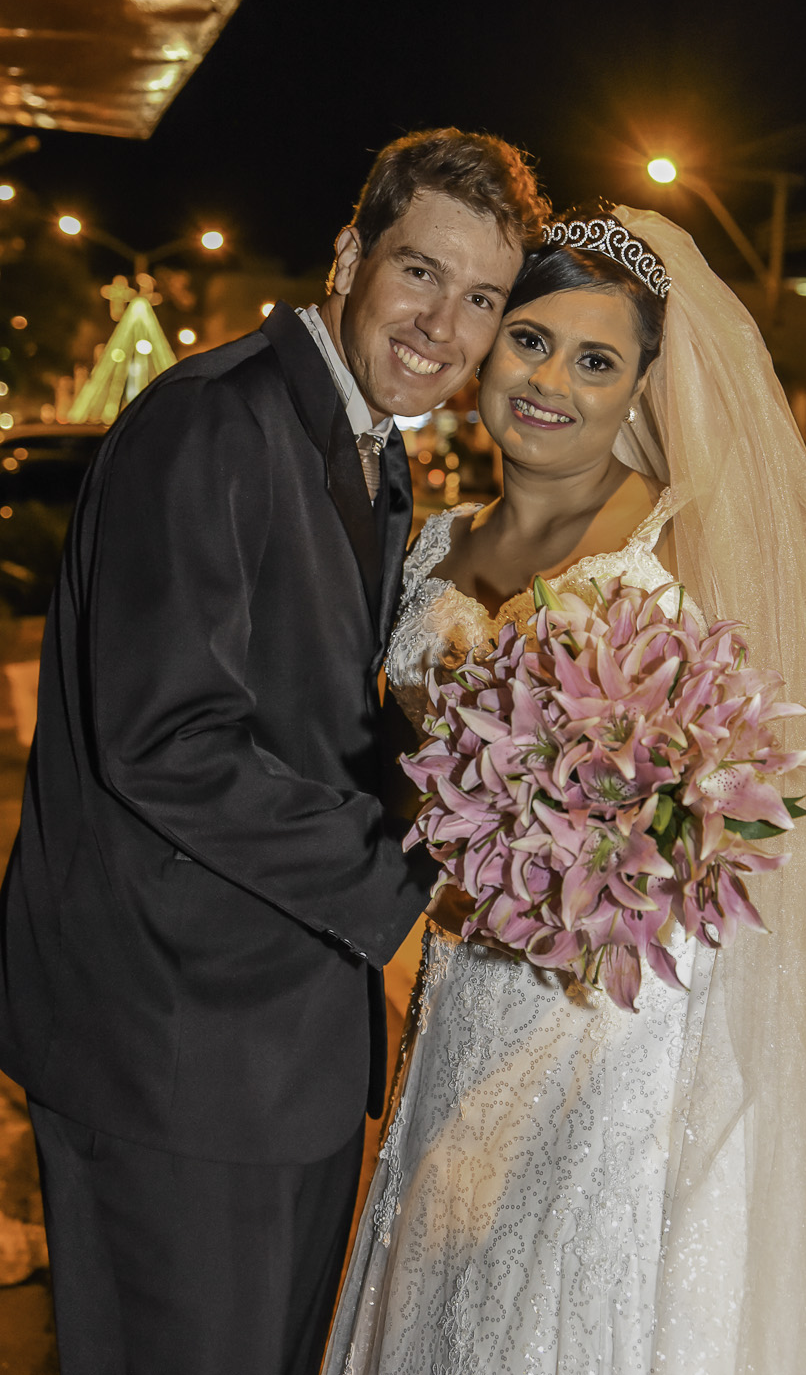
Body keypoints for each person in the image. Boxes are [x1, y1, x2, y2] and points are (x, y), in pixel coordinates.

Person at [325, 208, 806, 1373]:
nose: (549, 383)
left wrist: (612, 854)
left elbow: (755, 815)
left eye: (596, 360)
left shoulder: (683, 554)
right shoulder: (426, 547)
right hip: (462, 1002)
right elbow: (387, 779)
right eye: (529, 340)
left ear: (642, 385)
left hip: (620, 1027)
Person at [0, 127, 548, 1375]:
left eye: (480, 299)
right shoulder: (212, 422)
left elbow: (315, 713)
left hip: (281, 1042)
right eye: (419, 272)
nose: (442, 326)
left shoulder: (369, 443)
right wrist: (418, 874)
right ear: (350, 255)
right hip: (171, 1044)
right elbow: (167, 742)